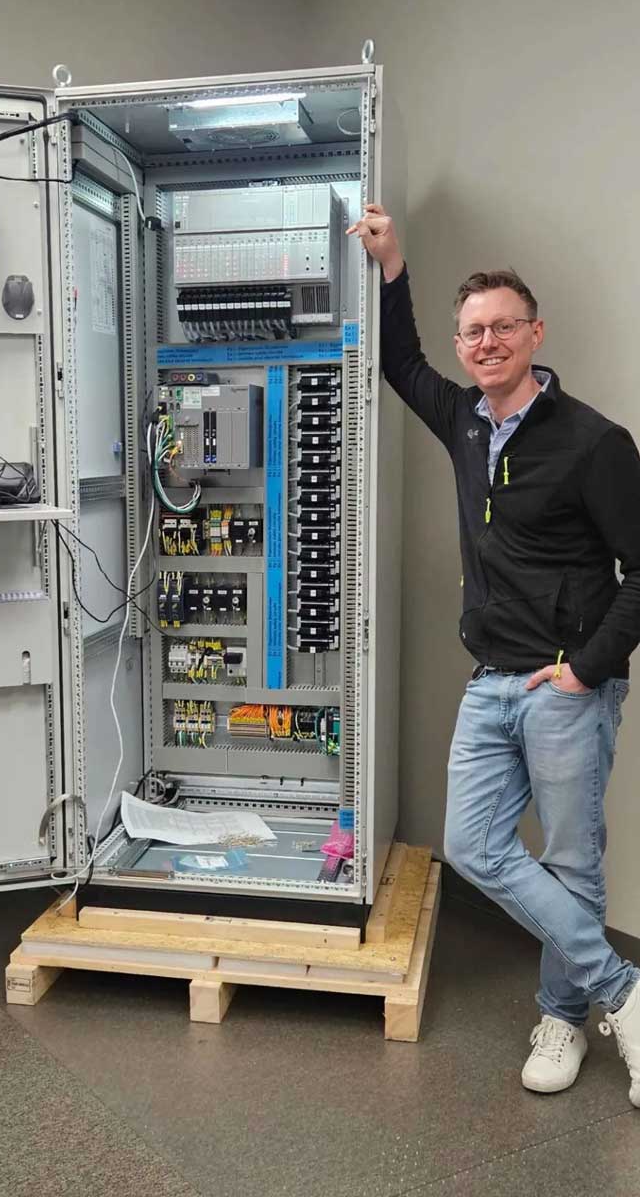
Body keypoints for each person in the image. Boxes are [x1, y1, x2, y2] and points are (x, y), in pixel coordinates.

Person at [347, 204, 640, 1100]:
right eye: (472, 331)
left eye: (503, 327)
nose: (485, 343)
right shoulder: (465, 420)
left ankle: (563, 1021)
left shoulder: (594, 442)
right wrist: (394, 265)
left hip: (564, 683)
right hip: (491, 681)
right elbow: (401, 363)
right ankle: (624, 993)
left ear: (535, 334)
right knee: (471, 844)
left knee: (572, 863)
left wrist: (587, 668)